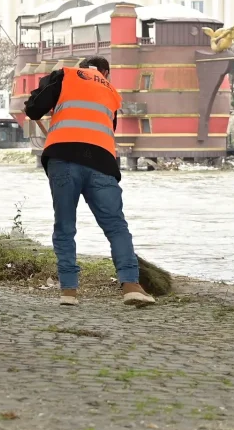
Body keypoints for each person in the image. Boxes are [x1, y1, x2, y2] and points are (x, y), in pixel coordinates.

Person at [24, 56, 156, 307]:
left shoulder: (65, 76)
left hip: (63, 157)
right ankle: (131, 285)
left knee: (65, 226)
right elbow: (106, 128)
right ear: (106, 73)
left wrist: (38, 100)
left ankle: (69, 292)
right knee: (116, 227)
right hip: (101, 163)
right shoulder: (112, 92)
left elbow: (33, 109)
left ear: (82, 67)